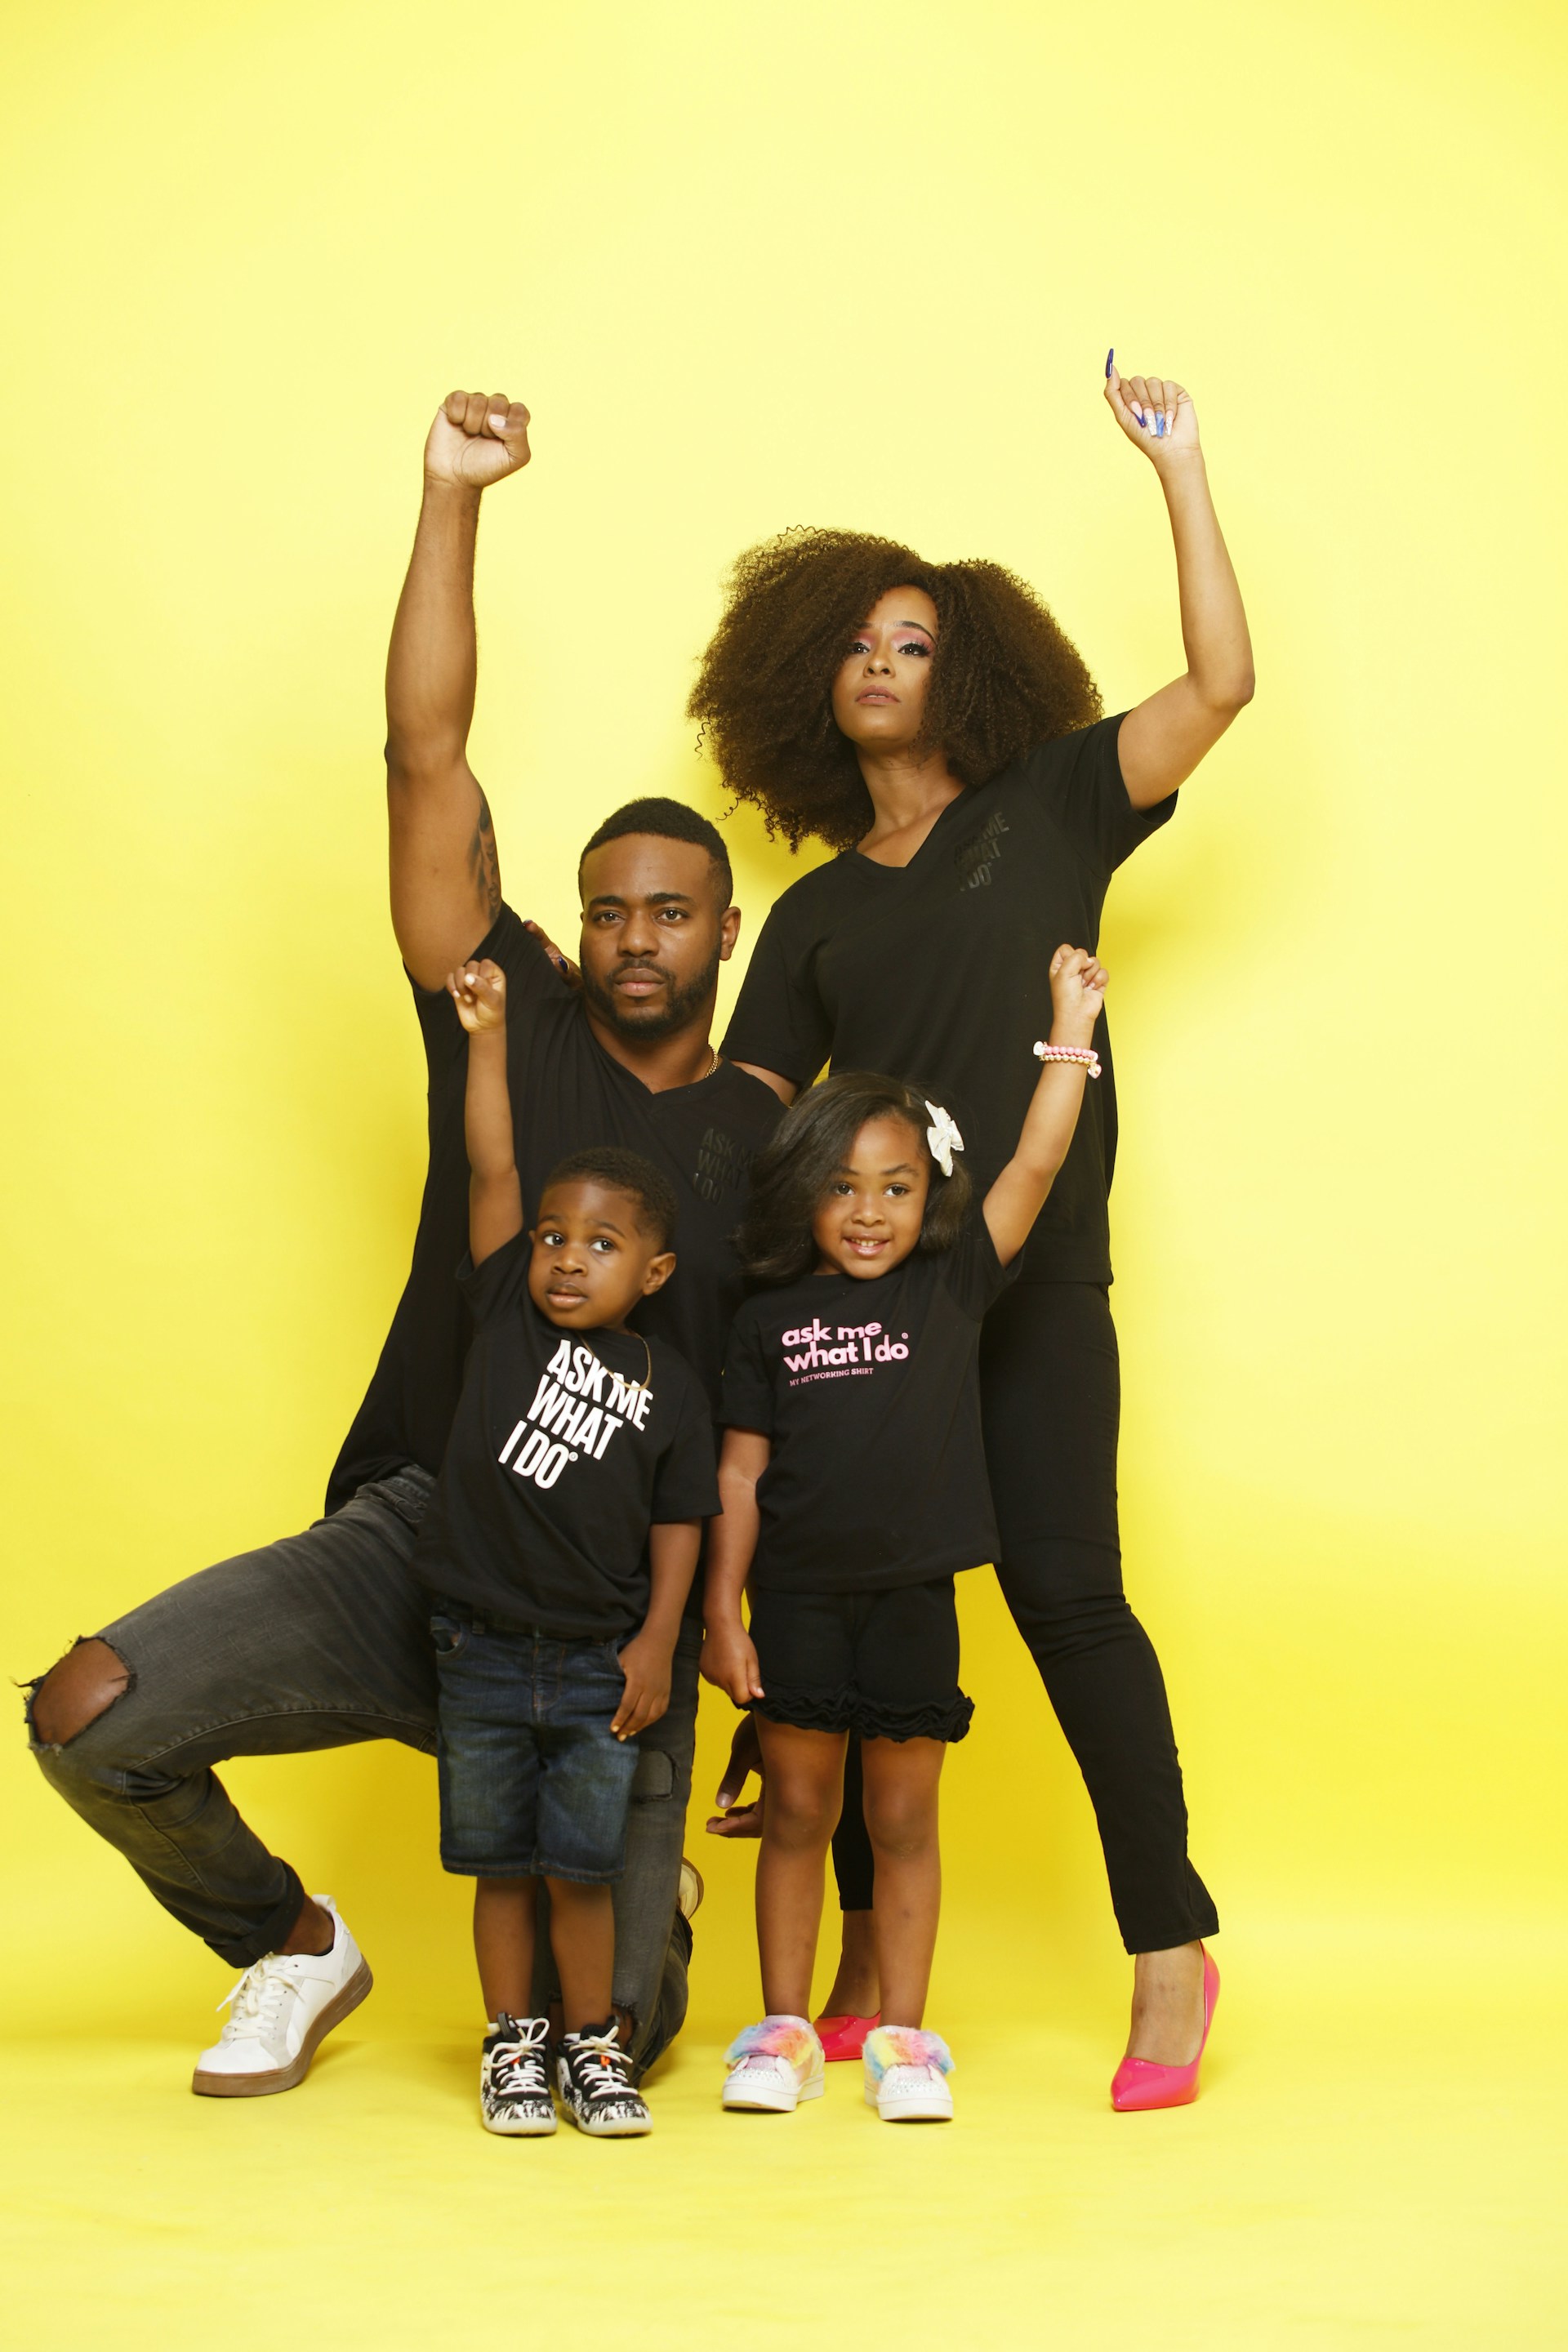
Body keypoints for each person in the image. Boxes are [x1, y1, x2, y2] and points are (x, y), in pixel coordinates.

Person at [25, 389, 781, 2096]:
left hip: (612, 1611)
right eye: (609, 909)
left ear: (726, 933)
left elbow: (770, 1415)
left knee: (620, 2036)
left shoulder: (766, 1129)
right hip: (425, 1539)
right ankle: (291, 1945)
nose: (636, 939)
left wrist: (756, 1661)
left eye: (672, 914)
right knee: (87, 1715)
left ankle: (642, 1896)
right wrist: (452, 495)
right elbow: (425, 760)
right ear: (573, 923)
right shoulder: (511, 1015)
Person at [693, 362, 1251, 2109]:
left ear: (967, 672)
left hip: (1033, 1271)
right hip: (874, 1310)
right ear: (811, 678)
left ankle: (1168, 1947)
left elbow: (1222, 686)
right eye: (857, 643)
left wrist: (1180, 467)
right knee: (860, 1593)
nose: (881, 662)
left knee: (1066, 1593)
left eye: (915, 642)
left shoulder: (1055, 805)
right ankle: (868, 1957)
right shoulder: (813, 912)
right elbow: (739, 1126)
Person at [706, 946, 1123, 2124]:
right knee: (797, 1815)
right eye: (842, 1188)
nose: (870, 1212)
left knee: (900, 1821)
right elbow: (739, 1474)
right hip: (794, 1602)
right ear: (804, 1193)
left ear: (929, 1191)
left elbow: (1038, 1159)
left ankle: (904, 2040)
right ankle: (783, 2033)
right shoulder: (769, 1317)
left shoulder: (951, 1283)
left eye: (895, 1187)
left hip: (911, 1602)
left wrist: (1071, 1028)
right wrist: (723, 1613)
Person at [420, 956, 719, 2135]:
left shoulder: (670, 1384)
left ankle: (592, 2048)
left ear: (654, 1273)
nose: (564, 1258)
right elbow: (493, 1164)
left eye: (600, 1245)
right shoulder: (503, 1307)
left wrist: (657, 1642)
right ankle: (513, 2047)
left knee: (580, 1871)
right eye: (554, 1236)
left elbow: (681, 1522)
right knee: (501, 1867)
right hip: (481, 1650)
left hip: (601, 1661)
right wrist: (488, 1036)